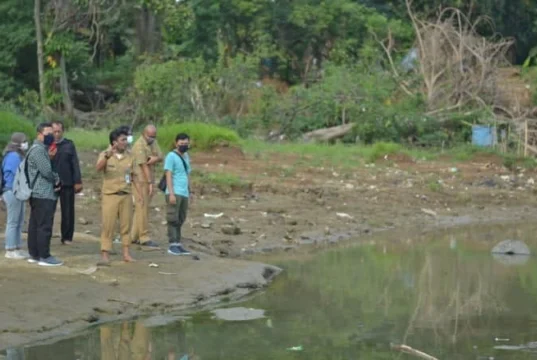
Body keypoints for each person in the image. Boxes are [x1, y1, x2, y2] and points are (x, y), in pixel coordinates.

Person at [95, 127, 143, 265]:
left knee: (126, 225)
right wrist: (107, 156)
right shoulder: (105, 154)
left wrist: (139, 195)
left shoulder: (130, 156)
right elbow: (98, 168)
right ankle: (105, 254)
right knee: (108, 225)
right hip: (110, 195)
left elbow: (134, 177)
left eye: (126, 140)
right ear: (114, 142)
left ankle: (126, 254)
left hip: (126, 195)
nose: (125, 142)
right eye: (122, 140)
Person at [26, 123, 63, 266]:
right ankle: (44, 255)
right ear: (39, 134)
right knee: (44, 225)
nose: (51, 136)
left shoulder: (41, 150)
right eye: (47, 133)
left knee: (35, 224)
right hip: (43, 193)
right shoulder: (38, 151)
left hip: (37, 193)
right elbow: (46, 172)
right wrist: (57, 179)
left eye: (52, 133)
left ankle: (34, 254)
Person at [130, 124, 163, 248]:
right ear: (144, 134)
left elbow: (160, 156)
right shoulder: (139, 146)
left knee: (141, 208)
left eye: (154, 136)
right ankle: (143, 236)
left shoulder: (152, 143)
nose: (152, 139)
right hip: (140, 180)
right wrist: (150, 183)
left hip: (148, 178)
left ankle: (133, 235)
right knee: (142, 207)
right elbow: (144, 165)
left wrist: (155, 159)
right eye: (150, 136)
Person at [51, 121, 83, 245]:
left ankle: (67, 237)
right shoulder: (47, 145)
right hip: (51, 183)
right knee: (48, 210)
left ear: (62, 131)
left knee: (68, 211)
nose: (57, 134)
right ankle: (46, 234)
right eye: (54, 131)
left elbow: (75, 163)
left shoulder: (69, 145)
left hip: (67, 182)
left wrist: (77, 181)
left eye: (59, 131)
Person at [2, 133, 29, 260]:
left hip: (18, 192)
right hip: (12, 191)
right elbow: (15, 174)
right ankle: (10, 248)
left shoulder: (18, 155)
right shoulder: (13, 156)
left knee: (19, 221)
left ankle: (17, 247)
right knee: (13, 221)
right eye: (24, 141)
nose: (26, 143)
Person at [164, 133, 192, 256]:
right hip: (174, 191)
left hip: (184, 192)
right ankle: (172, 244)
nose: (184, 146)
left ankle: (178, 243)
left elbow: (187, 174)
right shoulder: (171, 156)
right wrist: (171, 193)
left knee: (181, 217)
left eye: (186, 144)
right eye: (181, 144)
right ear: (176, 143)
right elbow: (168, 175)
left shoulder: (186, 156)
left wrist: (189, 191)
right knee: (172, 217)